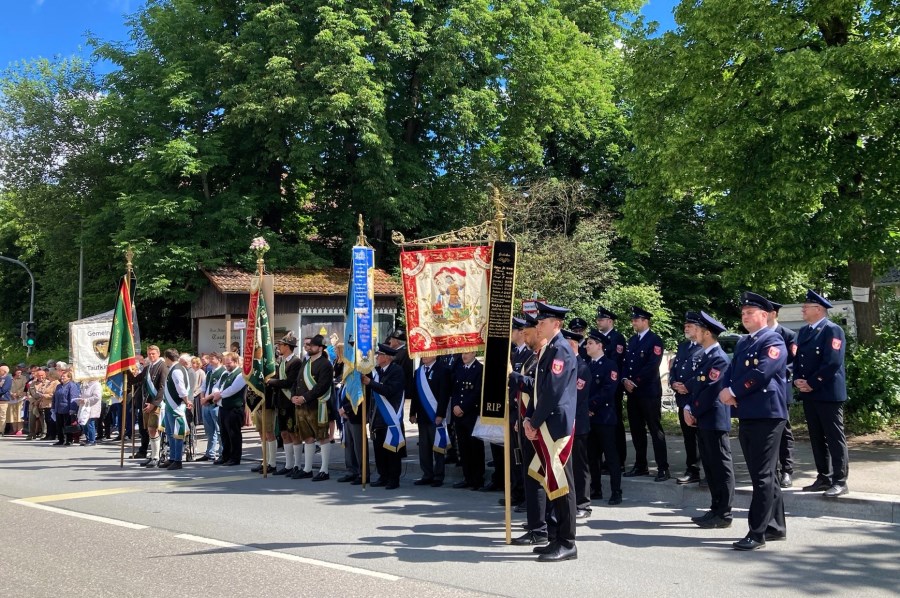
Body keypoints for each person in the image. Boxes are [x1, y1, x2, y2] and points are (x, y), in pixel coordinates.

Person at [719, 292, 789, 551]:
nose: (745, 317)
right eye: (743, 313)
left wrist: (735, 391)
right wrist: (725, 390)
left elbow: (762, 372)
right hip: (749, 412)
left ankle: (756, 532)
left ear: (765, 315)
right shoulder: (743, 342)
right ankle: (775, 527)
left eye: (750, 313)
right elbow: (731, 371)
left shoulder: (774, 340)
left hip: (768, 414)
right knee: (765, 474)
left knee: (762, 476)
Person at [521, 302, 579, 563]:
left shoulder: (562, 351)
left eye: (542, 323)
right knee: (550, 481)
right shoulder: (549, 350)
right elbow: (538, 391)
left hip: (557, 426)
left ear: (556, 324)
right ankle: (555, 537)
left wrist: (533, 420)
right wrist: (529, 419)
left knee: (561, 483)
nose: (538, 326)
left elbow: (553, 393)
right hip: (546, 423)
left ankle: (567, 542)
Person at [794, 289, 849, 498]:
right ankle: (823, 477)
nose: (803, 309)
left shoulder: (832, 330)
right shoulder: (806, 331)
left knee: (834, 437)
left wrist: (812, 383)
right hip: (810, 392)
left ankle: (840, 480)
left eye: (806, 307)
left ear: (818, 309)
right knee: (816, 437)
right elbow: (798, 358)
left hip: (827, 392)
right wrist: (798, 379)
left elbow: (832, 361)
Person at [683, 312, 734, 529]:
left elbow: (712, 391)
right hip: (703, 417)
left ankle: (724, 513)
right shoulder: (705, 356)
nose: (694, 333)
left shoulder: (719, 358)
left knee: (721, 466)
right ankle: (715, 508)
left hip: (714, 419)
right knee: (711, 467)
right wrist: (688, 406)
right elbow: (696, 386)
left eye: (698, 330)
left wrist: (692, 409)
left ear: (707, 333)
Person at [622, 306, 669, 481]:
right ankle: (641, 465)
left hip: (648, 392)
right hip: (633, 393)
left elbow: (652, 365)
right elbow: (626, 362)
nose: (633, 322)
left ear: (645, 321)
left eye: (636, 320)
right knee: (636, 430)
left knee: (655, 429)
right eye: (633, 320)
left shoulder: (655, 340)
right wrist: (625, 379)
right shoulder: (633, 340)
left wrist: (635, 381)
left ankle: (663, 467)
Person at [584, 329, 622, 505]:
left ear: (600, 346)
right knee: (592, 456)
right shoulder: (586, 365)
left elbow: (608, 390)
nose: (587, 346)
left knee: (611, 456)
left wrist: (591, 406)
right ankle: (596, 488)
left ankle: (616, 491)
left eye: (590, 343)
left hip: (605, 418)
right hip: (589, 417)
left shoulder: (610, 365)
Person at [291, 334, 335, 480]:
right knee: (308, 438)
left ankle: (324, 470)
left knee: (322, 437)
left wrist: (304, 398)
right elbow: (296, 382)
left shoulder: (326, 364)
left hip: (317, 405)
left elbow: (321, 387)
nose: (309, 347)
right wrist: (293, 396)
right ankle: (307, 468)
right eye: (309, 346)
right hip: (302, 406)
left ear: (320, 348)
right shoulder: (306, 362)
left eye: (312, 346)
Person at [362, 343, 405, 489]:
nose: (377, 357)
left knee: (391, 450)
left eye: (379, 355)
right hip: (377, 417)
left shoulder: (396, 371)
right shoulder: (377, 372)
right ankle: (383, 475)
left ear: (386, 357)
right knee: (379, 450)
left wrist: (371, 383)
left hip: (390, 417)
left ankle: (393, 478)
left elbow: (389, 390)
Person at [669, 312, 704, 485]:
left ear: (697, 328)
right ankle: (692, 469)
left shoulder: (704, 346)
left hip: (697, 397)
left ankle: (708, 471)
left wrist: (687, 386)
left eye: (689, 326)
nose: (686, 328)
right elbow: (674, 367)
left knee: (703, 436)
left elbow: (702, 372)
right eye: (685, 326)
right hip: (682, 399)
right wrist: (673, 382)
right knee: (688, 436)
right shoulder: (683, 346)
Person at [766, 300, 798, 488]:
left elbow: (794, 362)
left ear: (773, 313)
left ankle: (787, 470)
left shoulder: (787, 335)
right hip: (761, 392)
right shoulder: (757, 335)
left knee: (784, 430)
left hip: (779, 389)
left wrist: (778, 372)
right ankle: (772, 469)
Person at [562, 329, 592, 519]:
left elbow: (576, 396)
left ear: (572, 345)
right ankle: (571, 502)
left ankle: (584, 503)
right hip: (566, 422)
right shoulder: (566, 364)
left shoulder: (582, 367)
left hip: (578, 423)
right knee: (569, 465)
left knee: (580, 466)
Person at [410, 354, 451, 487]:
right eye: (422, 354)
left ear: (435, 355)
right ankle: (427, 474)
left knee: (438, 446)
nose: (424, 356)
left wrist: (440, 414)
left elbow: (444, 394)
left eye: (427, 353)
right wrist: (412, 413)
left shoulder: (442, 370)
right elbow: (415, 395)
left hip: (435, 416)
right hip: (422, 416)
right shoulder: (419, 372)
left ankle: (438, 476)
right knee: (424, 447)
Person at [266, 333, 303, 476]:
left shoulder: (296, 362)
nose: (278, 347)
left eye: (281, 345)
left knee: (294, 433)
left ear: (288, 347)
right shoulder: (282, 362)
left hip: (290, 402)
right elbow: (277, 378)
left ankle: (297, 465)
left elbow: (289, 382)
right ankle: (288, 465)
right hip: (281, 401)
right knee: (284, 433)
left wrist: (271, 382)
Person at [595, 305, 627, 468]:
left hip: (611, 386)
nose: (598, 322)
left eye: (601, 319)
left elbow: (615, 362)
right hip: (598, 387)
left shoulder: (617, 338)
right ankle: (601, 458)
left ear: (609, 320)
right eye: (598, 319)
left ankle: (618, 459)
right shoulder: (597, 337)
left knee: (614, 423)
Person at [449, 351, 485, 491]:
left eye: (468, 353)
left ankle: (477, 479)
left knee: (475, 447)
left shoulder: (479, 369)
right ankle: (467, 477)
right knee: (463, 448)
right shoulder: (459, 369)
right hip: (459, 415)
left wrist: (463, 407)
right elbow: (455, 391)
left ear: (474, 353)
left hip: (471, 414)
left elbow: (477, 393)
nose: (464, 356)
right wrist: (455, 406)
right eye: (463, 353)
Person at [210, 352, 247, 466]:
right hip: (223, 408)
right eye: (226, 363)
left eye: (229, 363)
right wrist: (216, 393)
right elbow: (216, 386)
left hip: (234, 408)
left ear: (236, 362)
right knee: (224, 434)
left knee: (233, 434)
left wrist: (219, 395)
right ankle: (225, 456)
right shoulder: (225, 373)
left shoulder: (241, 374)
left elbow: (233, 389)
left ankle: (235, 458)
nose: (227, 365)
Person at [158, 350, 191, 470]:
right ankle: (172, 458)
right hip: (170, 405)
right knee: (171, 434)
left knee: (177, 434)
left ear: (167, 358)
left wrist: (186, 401)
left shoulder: (177, 370)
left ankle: (178, 460)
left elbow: (181, 389)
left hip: (176, 406)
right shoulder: (174, 368)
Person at [138, 346, 169, 468]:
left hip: (157, 403)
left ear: (158, 353)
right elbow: (137, 380)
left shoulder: (162, 367)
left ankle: (156, 457)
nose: (151, 356)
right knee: (149, 430)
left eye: (153, 354)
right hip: (147, 403)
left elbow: (163, 387)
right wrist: (125, 371)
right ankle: (152, 456)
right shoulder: (148, 367)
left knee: (153, 429)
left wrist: (154, 404)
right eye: (149, 354)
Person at [198, 352, 225, 462]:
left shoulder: (222, 372)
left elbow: (217, 389)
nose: (210, 360)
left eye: (212, 358)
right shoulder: (209, 372)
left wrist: (206, 398)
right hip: (206, 404)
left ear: (219, 359)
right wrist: (202, 398)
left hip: (215, 404)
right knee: (209, 431)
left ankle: (222, 452)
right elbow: (203, 387)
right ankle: (210, 453)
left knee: (219, 430)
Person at [51, 370, 81, 446]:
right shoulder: (59, 386)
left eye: (64, 376)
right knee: (59, 425)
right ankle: (61, 440)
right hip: (58, 409)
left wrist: (72, 409)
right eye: (61, 376)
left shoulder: (71, 385)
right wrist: (53, 407)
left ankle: (69, 440)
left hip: (67, 409)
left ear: (69, 378)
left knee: (67, 425)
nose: (62, 378)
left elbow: (73, 397)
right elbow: (54, 397)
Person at [27, 368, 56, 440]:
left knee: (43, 420)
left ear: (45, 375)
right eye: (39, 375)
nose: (41, 377)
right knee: (31, 419)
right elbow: (28, 394)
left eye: (42, 375)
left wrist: (39, 401)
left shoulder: (48, 383)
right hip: (33, 404)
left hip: (42, 403)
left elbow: (47, 393)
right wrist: (33, 401)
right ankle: (31, 433)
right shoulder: (32, 383)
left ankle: (44, 433)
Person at [77, 378, 102, 446]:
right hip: (84, 407)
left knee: (90, 423)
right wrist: (80, 398)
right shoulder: (85, 384)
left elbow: (97, 397)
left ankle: (92, 440)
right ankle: (88, 439)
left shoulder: (96, 385)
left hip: (92, 407)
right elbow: (83, 394)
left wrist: (86, 400)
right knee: (84, 423)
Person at [0, 366, 12, 435]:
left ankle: (1, 430)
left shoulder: (8, 378)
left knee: (2, 416)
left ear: (4, 371)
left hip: (3, 400)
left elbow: (4, 389)